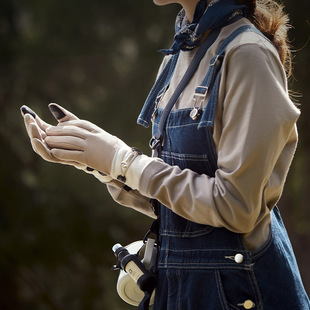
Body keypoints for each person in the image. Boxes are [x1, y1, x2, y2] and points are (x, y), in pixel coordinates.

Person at [21, 0, 310, 309]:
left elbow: (236, 207)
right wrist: (98, 162)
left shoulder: (249, 54)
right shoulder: (180, 55)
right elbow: (181, 207)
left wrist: (124, 161)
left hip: (239, 293)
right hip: (182, 292)